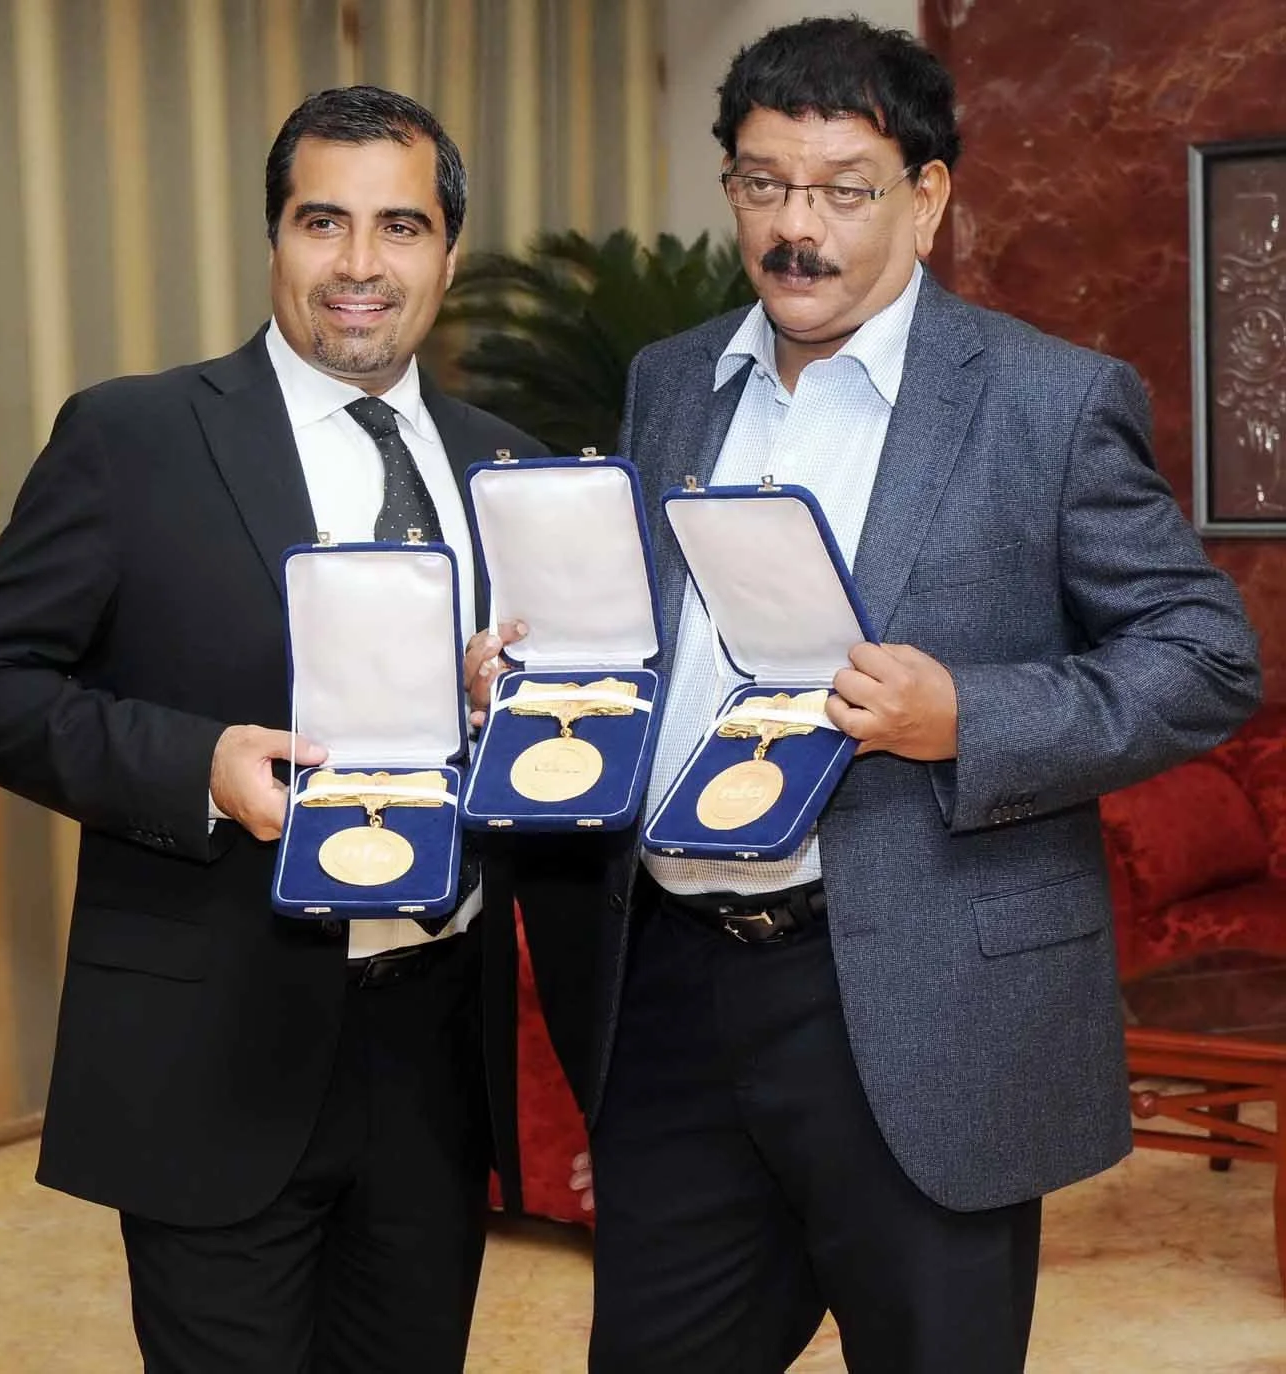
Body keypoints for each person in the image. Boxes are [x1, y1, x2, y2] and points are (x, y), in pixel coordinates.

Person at [505, 17, 1261, 1374]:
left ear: (925, 193)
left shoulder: (1044, 399)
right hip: (675, 991)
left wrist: (966, 715)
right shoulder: (668, 381)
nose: (795, 227)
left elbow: (1202, 655)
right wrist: (544, 660)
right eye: (760, 183)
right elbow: (652, 636)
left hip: (922, 1009)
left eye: (841, 188)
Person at [0, 86, 545, 1373]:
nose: (360, 266)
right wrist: (194, 768)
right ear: (272, 238)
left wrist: (514, 707)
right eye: (324, 222)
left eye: (400, 227)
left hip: (434, 1049)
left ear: (448, 251)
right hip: (213, 1049)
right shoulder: (135, 437)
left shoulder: (509, 468)